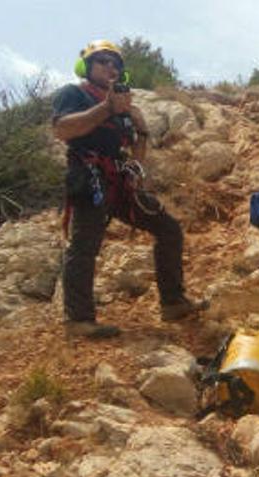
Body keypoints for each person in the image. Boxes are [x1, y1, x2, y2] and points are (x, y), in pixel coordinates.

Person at [52, 40, 205, 339]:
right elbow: (63, 129)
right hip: (89, 176)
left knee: (169, 229)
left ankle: (173, 302)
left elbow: (136, 155)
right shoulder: (74, 94)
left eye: (116, 64)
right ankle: (78, 320)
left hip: (120, 180)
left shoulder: (123, 107)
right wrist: (106, 108)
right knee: (84, 246)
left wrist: (142, 130)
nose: (111, 67)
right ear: (86, 66)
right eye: (103, 61)